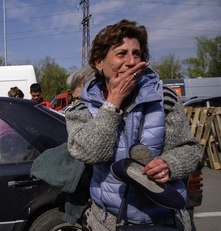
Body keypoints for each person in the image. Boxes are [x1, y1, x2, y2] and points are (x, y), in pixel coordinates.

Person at [65, 19, 202, 231]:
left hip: (165, 219)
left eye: (136, 53)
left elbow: (190, 149)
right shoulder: (82, 109)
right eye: (121, 54)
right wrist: (112, 103)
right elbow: (91, 153)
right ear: (99, 63)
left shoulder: (164, 99)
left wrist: (170, 164)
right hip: (108, 222)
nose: (131, 61)